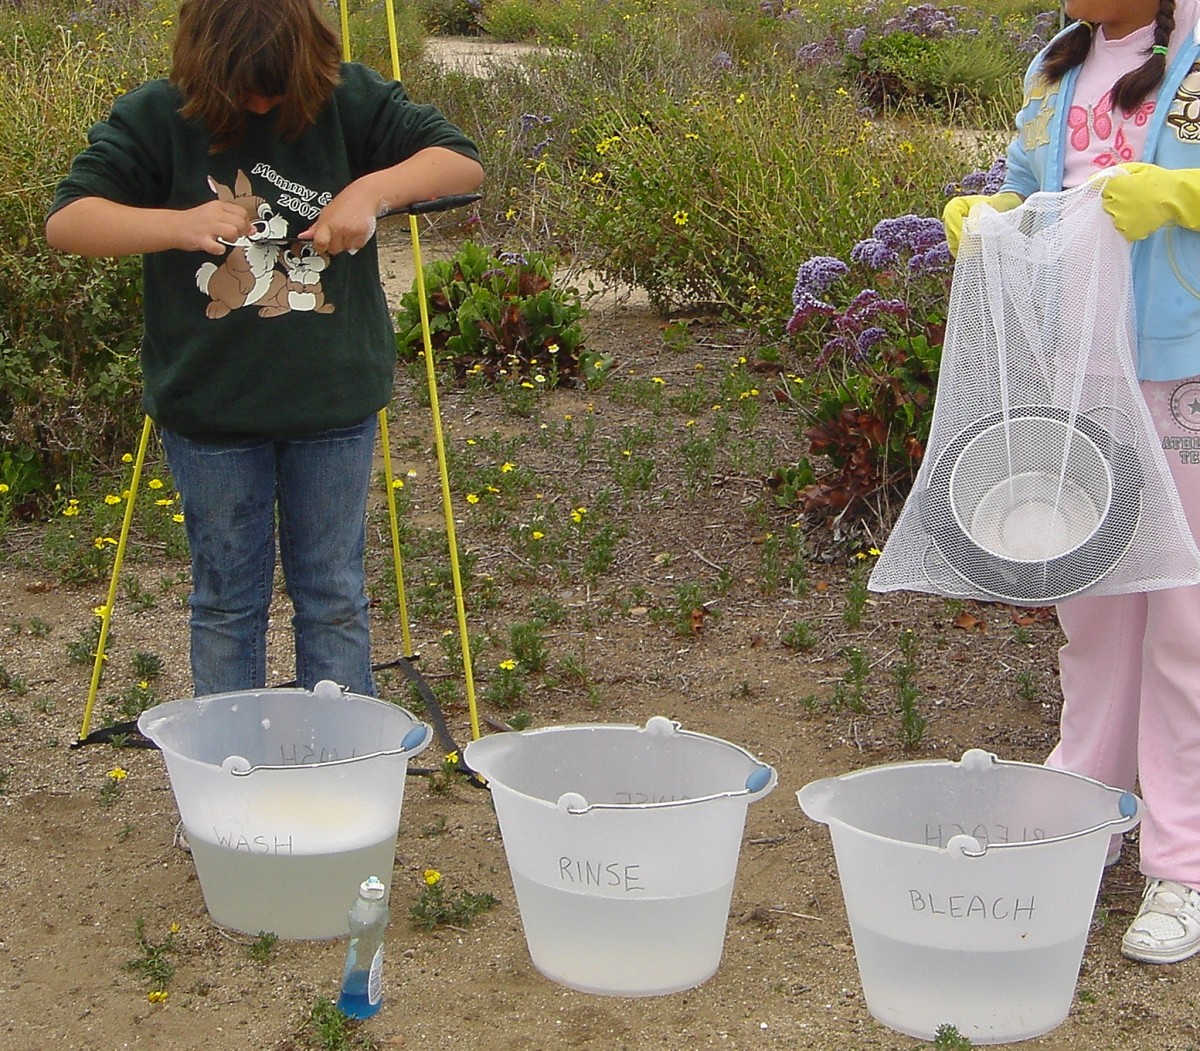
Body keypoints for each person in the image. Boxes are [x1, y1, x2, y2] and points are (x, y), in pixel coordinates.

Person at [46, 0, 484, 700]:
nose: (259, 104)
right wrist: (177, 225)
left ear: (307, 59)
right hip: (210, 410)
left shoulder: (350, 98)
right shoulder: (157, 115)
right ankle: (233, 761)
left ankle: (338, 759)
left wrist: (371, 192)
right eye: (244, 90)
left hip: (333, 403)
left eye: (275, 89)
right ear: (206, 64)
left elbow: (460, 164)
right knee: (226, 604)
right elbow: (69, 221)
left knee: (334, 595)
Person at [943, 0, 1200, 964]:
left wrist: (1184, 196)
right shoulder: (1055, 64)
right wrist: (990, 216)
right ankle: (1085, 807)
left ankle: (1184, 859)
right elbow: (1028, 189)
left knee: (1186, 617)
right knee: (1093, 603)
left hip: (1182, 374)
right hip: (1082, 367)